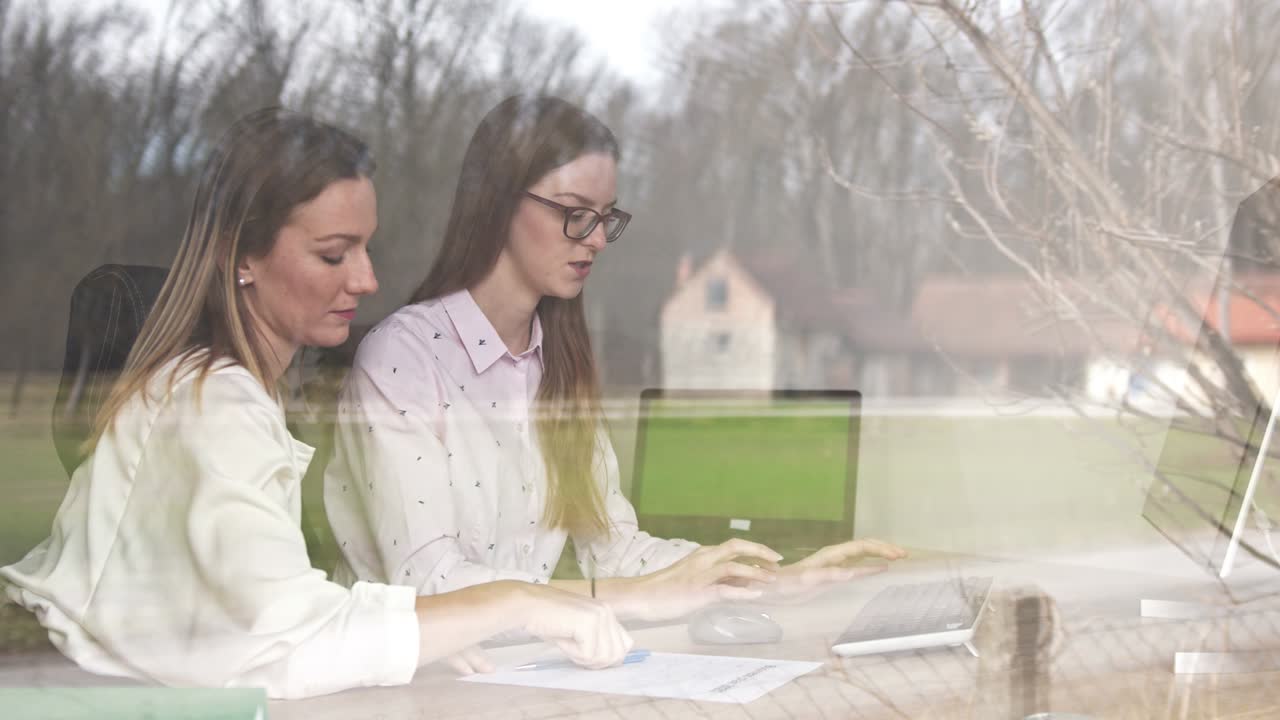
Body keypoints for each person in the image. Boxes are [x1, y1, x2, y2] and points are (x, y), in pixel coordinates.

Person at [0, 108, 632, 699]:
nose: (366, 280)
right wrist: (511, 603)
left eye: (365, 248)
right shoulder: (208, 405)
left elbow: (279, 604)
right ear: (242, 256)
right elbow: (285, 641)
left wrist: (428, 630)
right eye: (334, 254)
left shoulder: (234, 393)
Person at [324, 95, 905, 623]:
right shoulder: (404, 358)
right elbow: (430, 585)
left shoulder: (557, 365)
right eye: (575, 212)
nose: (597, 239)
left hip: (513, 677)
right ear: (498, 203)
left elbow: (616, 550)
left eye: (606, 217)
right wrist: (626, 600)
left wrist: (772, 577)